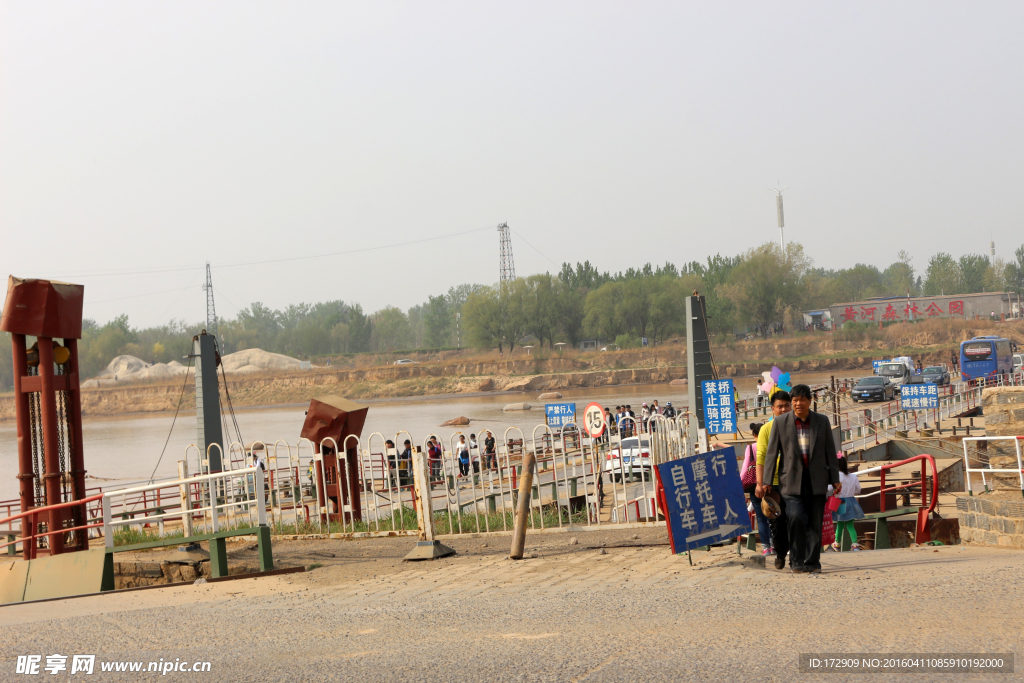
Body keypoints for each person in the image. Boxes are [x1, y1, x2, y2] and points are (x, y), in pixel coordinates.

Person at [763, 384, 842, 575]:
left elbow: (830, 452)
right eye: (795, 400)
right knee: (796, 517)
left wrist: (835, 478)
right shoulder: (781, 422)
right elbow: (772, 453)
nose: (798, 404)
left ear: (810, 401)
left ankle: (813, 562)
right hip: (790, 481)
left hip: (817, 479)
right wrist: (766, 481)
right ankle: (796, 561)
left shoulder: (821, 421)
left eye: (802, 400)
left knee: (815, 522)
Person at [755, 390, 792, 569]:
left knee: (796, 518)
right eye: (780, 406)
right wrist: (760, 483)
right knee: (777, 522)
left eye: (787, 405)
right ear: (773, 409)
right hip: (773, 484)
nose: (784, 409)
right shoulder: (766, 430)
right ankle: (780, 553)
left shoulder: (797, 426)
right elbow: (761, 457)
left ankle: (797, 555)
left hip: (794, 481)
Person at [743, 423, 772, 556]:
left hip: (755, 485)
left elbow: (744, 470)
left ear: (754, 435)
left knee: (761, 518)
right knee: (773, 515)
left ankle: (766, 548)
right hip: (771, 483)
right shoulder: (770, 445)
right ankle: (775, 545)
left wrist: (739, 484)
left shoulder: (750, 448)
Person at [831, 456, 865, 551]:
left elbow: (829, 488)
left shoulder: (835, 476)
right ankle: (855, 545)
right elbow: (858, 490)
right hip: (851, 501)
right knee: (850, 525)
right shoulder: (853, 476)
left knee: (840, 524)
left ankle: (837, 544)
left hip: (840, 502)